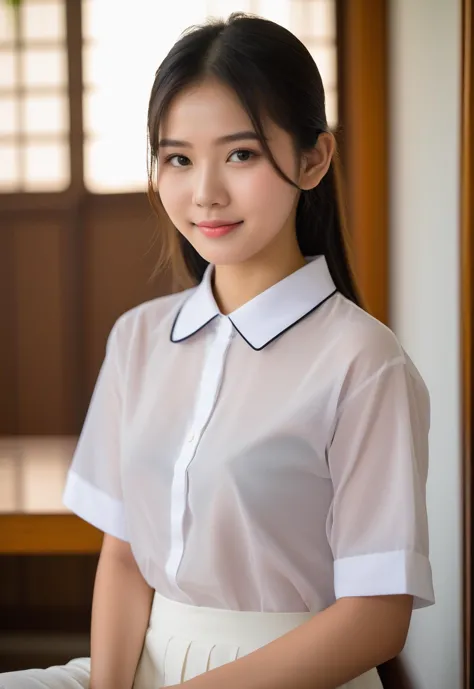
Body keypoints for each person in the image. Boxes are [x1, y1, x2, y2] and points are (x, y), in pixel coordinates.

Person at [1, 12, 435, 689]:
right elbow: (123, 556)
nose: (204, 192)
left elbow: (377, 618)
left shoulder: (364, 361)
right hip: (136, 664)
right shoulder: (138, 338)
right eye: (178, 158)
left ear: (313, 158)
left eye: (241, 154)